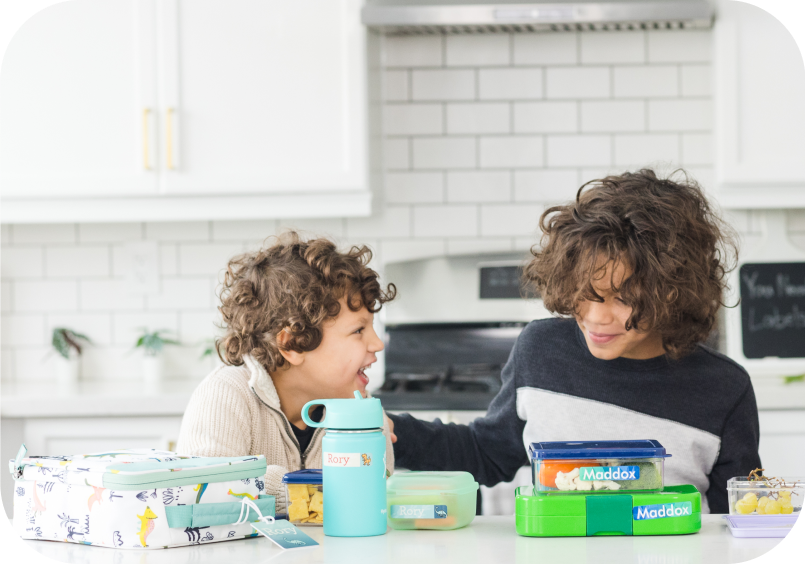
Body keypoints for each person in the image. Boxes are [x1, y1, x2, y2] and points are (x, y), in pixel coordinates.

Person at [386, 169, 761, 514]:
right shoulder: (540, 352)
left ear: (673, 293)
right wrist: (390, 431)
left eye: (624, 298)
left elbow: (736, 517)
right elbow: (485, 453)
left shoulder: (725, 389)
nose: (597, 317)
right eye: (587, 293)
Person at [177, 231, 397, 512]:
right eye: (358, 330)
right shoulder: (226, 395)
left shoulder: (364, 413)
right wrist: (314, 492)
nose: (377, 344)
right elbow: (204, 488)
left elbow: (374, 498)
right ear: (292, 344)